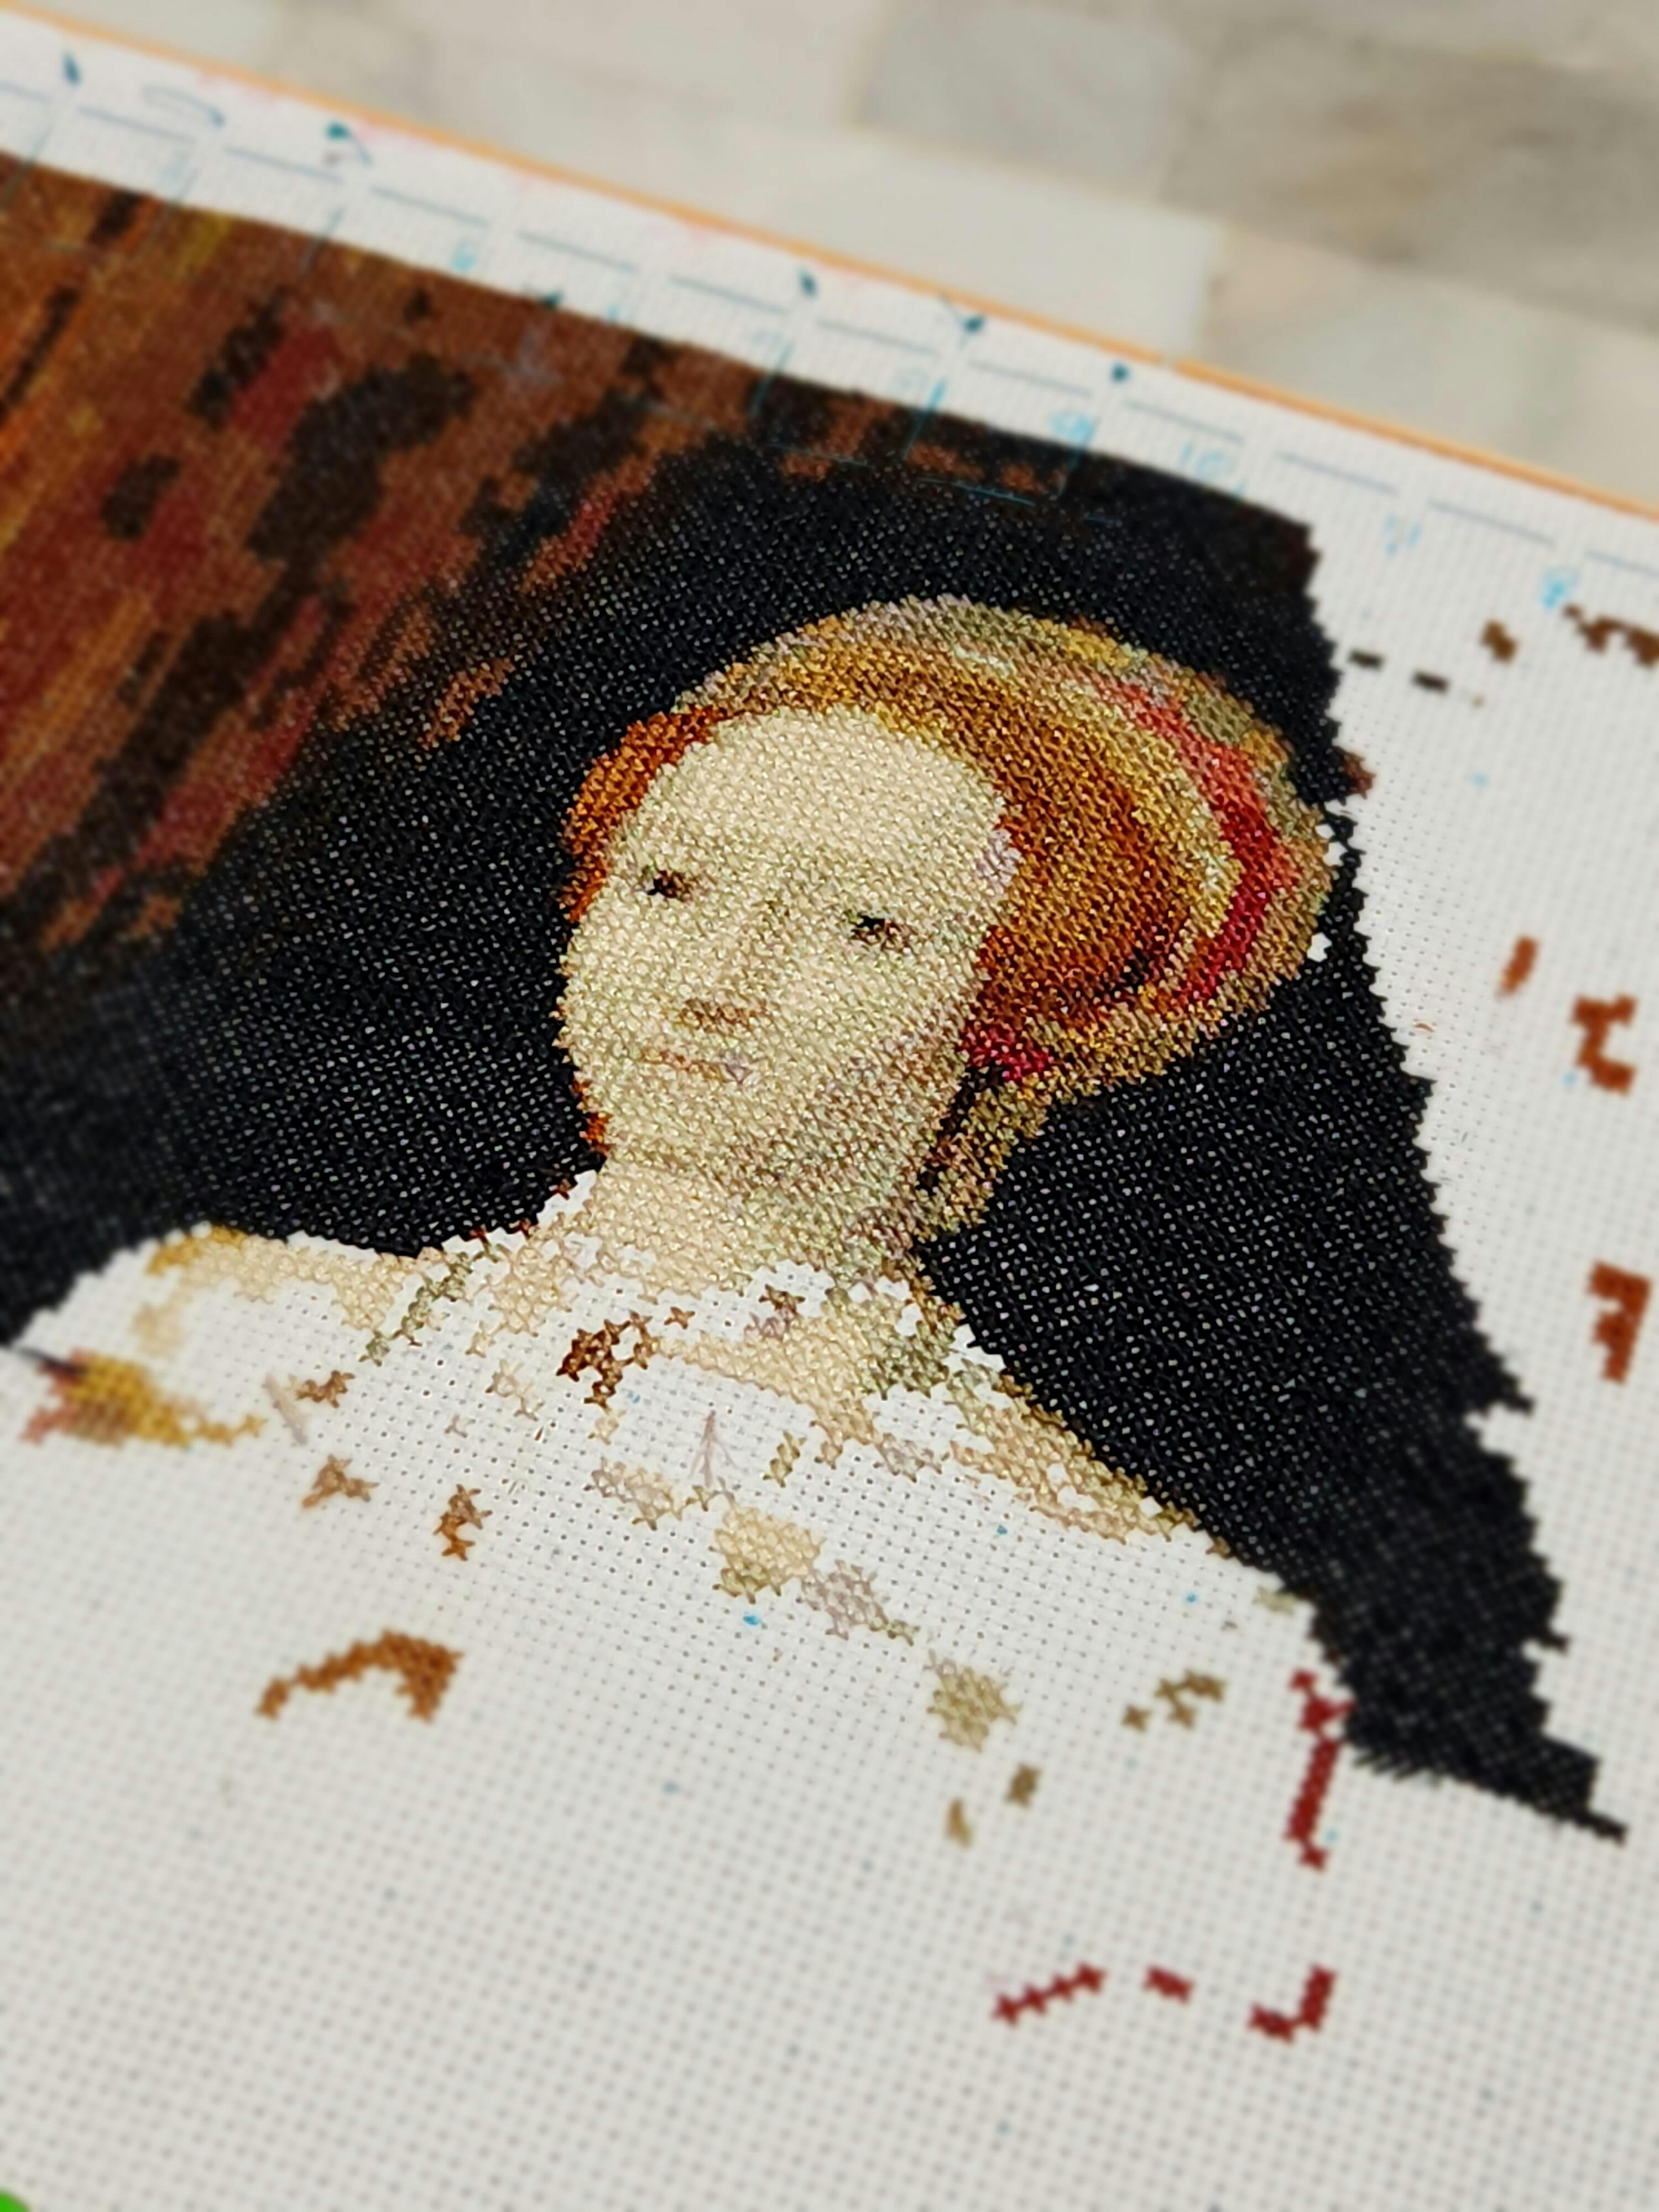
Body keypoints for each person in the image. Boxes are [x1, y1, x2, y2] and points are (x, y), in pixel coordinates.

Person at [10, 599, 1354, 2018]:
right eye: (668, 887)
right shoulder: (220, 1319)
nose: (717, 981)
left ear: (1014, 1007)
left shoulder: (1077, 1597)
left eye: (868, 929)